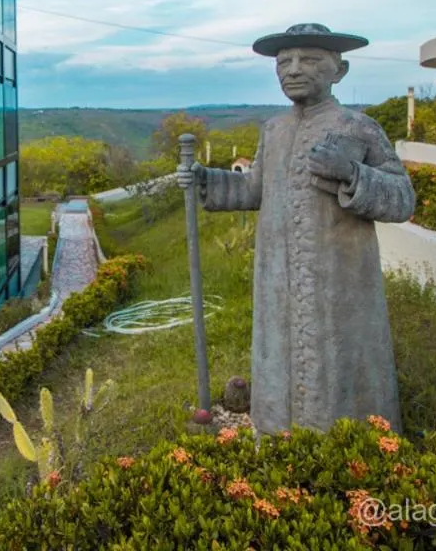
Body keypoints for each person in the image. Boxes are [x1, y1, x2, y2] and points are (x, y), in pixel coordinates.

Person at [177, 23, 415, 434]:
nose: (293, 69)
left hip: (340, 283)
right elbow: (255, 188)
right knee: (280, 356)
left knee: (336, 362)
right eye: (283, 62)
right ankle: (274, 436)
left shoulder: (358, 127)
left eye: (309, 60)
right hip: (278, 280)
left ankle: (356, 446)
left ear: (339, 70)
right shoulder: (274, 130)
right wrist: (205, 179)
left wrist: (352, 175)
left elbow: (402, 198)